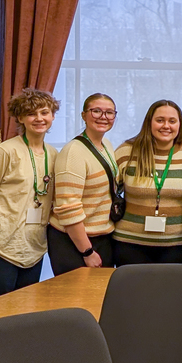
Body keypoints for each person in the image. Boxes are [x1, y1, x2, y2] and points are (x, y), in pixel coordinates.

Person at [0, 89, 60, 300]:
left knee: (22, 318)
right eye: (31, 114)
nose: (39, 118)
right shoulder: (5, 151)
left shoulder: (55, 154)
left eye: (44, 112)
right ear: (20, 118)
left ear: (52, 116)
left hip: (33, 250)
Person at [113, 100, 182, 265]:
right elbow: (109, 191)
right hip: (130, 243)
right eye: (160, 120)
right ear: (149, 122)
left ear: (180, 125)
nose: (166, 126)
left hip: (177, 245)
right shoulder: (127, 151)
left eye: (172, 121)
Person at [47, 92, 120, 274]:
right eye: (96, 111)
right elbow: (68, 208)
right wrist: (87, 251)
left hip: (101, 237)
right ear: (84, 115)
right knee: (76, 300)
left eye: (109, 112)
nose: (103, 117)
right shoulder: (74, 152)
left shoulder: (107, 146)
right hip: (75, 242)